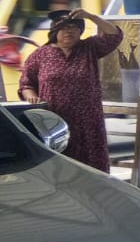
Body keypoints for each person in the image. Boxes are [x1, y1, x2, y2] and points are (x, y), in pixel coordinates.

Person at [17, 9, 124, 171]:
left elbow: (114, 35)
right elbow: (26, 84)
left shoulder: (89, 48)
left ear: (80, 32)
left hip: (87, 123)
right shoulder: (40, 55)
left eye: (74, 27)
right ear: (55, 31)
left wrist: (91, 16)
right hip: (55, 122)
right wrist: (30, 96)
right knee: (59, 167)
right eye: (65, 27)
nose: (69, 31)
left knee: (91, 167)